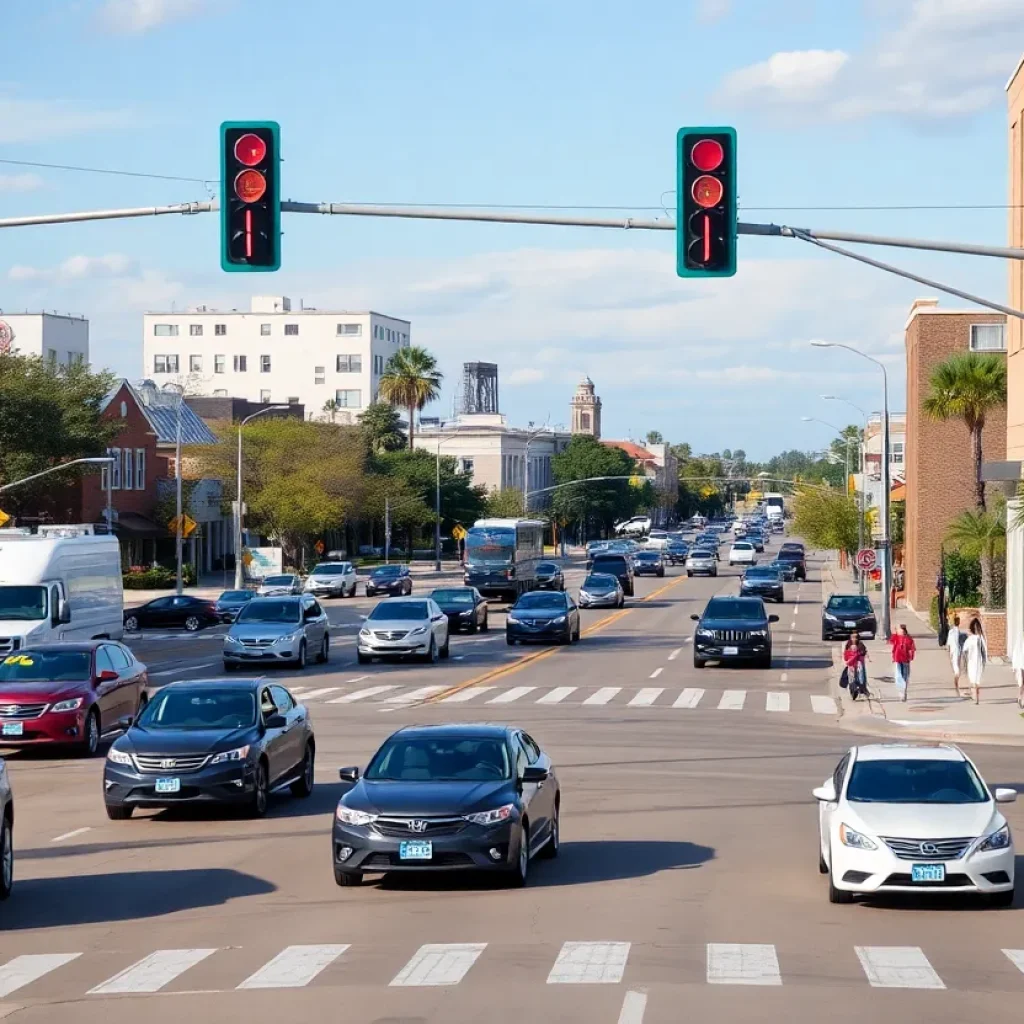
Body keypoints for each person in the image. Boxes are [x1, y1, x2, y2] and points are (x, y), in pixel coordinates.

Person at [963, 618, 988, 705]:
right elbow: (985, 650)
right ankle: (976, 697)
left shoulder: (971, 639)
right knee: (976, 680)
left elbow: (964, 649)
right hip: (978, 662)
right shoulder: (980, 638)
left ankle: (974, 696)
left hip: (972, 662)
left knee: (973, 680)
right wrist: (985, 660)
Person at [889, 623, 916, 702]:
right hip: (897, 659)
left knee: (905, 676)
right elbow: (891, 641)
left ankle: (904, 692)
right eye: (899, 631)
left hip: (905, 660)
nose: (901, 632)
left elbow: (912, 648)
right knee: (898, 676)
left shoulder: (909, 639)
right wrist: (894, 633)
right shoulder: (896, 637)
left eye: (901, 631)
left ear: (904, 631)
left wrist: (911, 656)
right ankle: (901, 693)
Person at [843, 633, 869, 700]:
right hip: (851, 665)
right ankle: (853, 691)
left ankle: (862, 690)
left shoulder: (860, 644)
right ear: (850, 638)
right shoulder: (848, 644)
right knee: (851, 678)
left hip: (859, 664)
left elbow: (864, 652)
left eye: (856, 638)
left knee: (861, 677)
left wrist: (859, 654)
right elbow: (845, 655)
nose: (854, 639)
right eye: (853, 637)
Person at [946, 614, 966, 697]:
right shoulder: (958, 632)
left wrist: (949, 653)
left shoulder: (951, 632)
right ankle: (957, 688)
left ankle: (957, 687)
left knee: (956, 670)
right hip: (957, 652)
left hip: (953, 652)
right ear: (959, 623)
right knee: (957, 671)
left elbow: (949, 644)